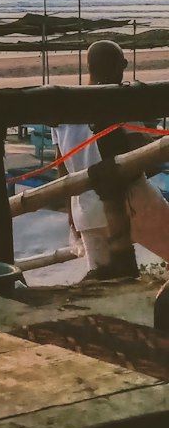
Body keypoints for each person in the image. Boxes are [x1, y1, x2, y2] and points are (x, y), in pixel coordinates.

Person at [52, 38, 146, 282]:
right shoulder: (119, 103)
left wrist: (70, 214)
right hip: (131, 203)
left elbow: (61, 169)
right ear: (118, 66)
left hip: (83, 209)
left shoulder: (60, 111)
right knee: (126, 274)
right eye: (123, 63)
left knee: (104, 281)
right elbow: (142, 155)